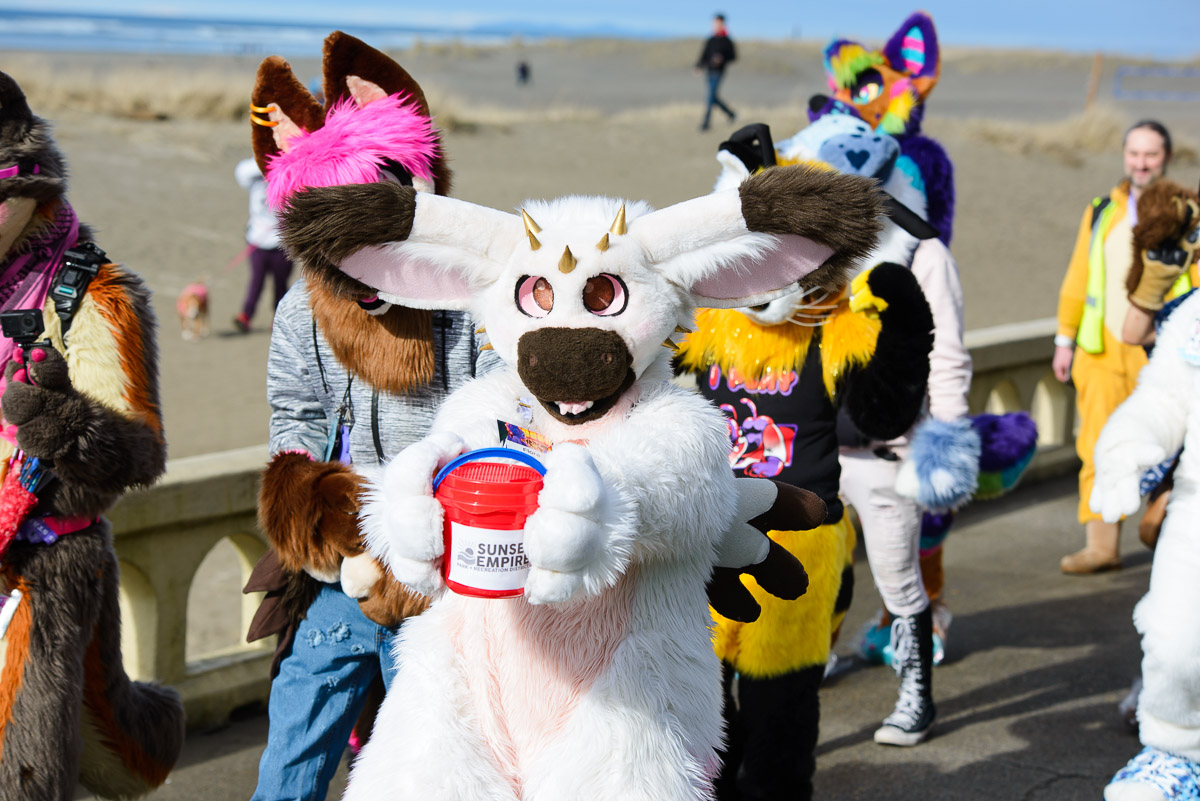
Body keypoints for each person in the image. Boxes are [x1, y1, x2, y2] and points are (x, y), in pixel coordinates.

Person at [1053, 120, 1181, 574]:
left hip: (1164, 352)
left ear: (1166, 156)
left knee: (1170, 445)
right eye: (1134, 153)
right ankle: (1101, 544)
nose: (1141, 162)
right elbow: (1078, 276)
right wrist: (1064, 339)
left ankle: (1166, 528)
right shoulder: (1103, 209)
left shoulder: (1185, 210)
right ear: (1124, 155)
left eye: (1150, 154)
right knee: (1099, 445)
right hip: (1101, 350)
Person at [233, 157, 294, 333]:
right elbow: (242, 171)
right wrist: (270, 163)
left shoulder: (289, 183)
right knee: (256, 280)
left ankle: (278, 318)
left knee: (280, 283)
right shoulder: (255, 181)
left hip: (281, 242)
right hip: (257, 240)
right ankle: (246, 315)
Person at [696, 13, 736, 131]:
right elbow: (704, 55)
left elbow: (733, 56)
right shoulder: (711, 39)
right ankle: (730, 113)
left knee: (710, 97)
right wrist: (698, 66)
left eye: (718, 23)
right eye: (714, 22)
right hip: (709, 71)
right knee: (712, 97)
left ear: (722, 23)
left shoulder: (727, 40)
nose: (716, 25)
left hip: (719, 72)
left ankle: (706, 123)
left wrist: (722, 59)